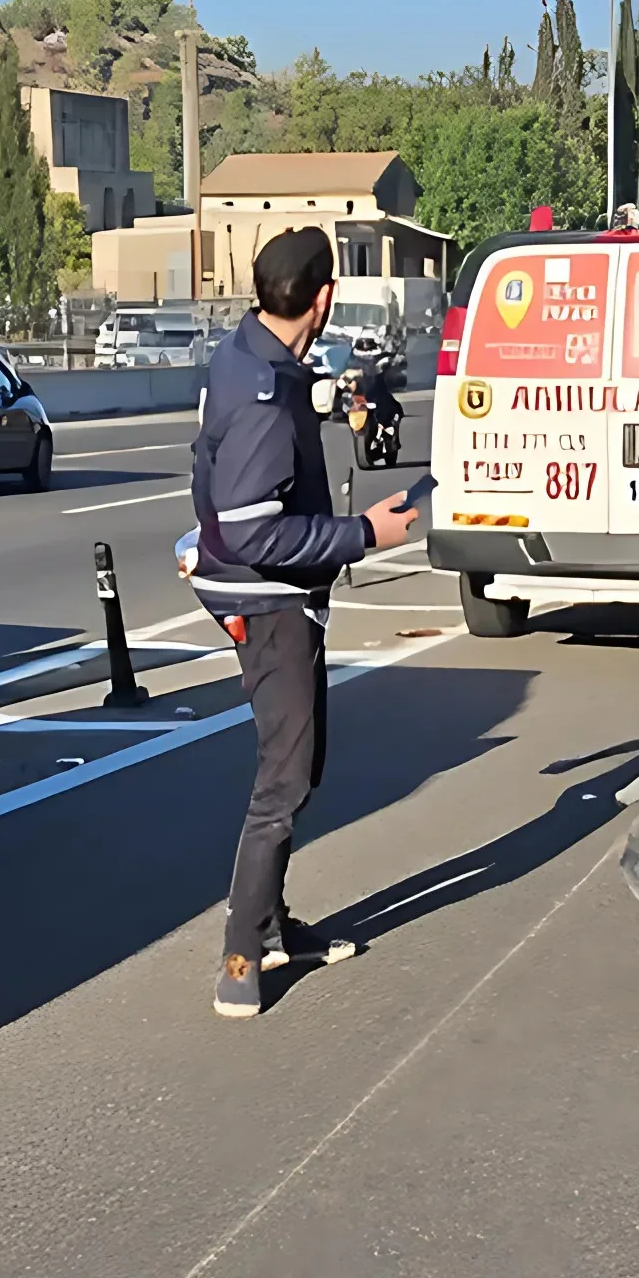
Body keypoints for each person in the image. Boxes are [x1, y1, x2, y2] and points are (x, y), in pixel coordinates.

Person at [188, 226, 419, 1019]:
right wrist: (364, 536)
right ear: (322, 298)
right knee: (284, 777)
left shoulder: (248, 355)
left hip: (274, 593)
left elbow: (205, 469)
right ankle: (241, 954)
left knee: (303, 765)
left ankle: (274, 924)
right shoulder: (260, 387)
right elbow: (251, 525)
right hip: (270, 598)